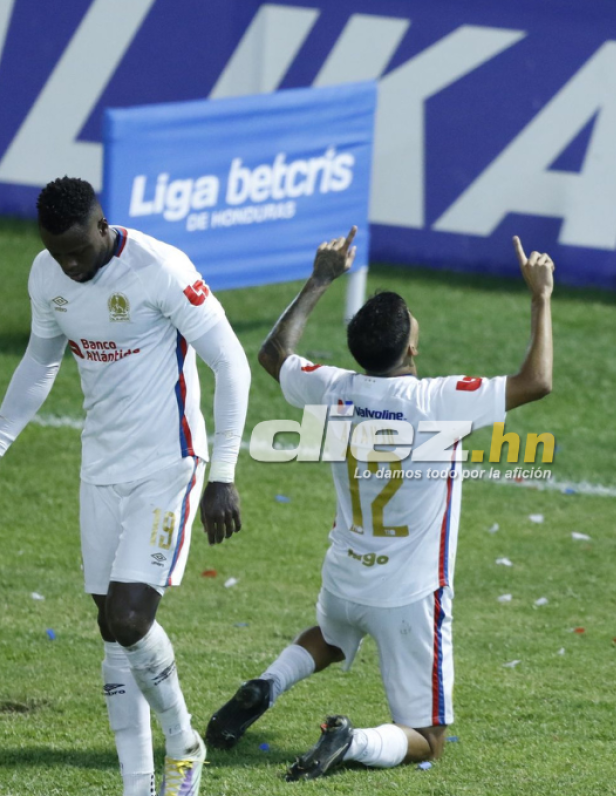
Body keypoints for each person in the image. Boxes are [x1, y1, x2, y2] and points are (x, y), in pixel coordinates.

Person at [205, 227, 554, 780]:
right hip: (410, 595)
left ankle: (267, 685)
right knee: (431, 740)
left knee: (333, 637)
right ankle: (354, 741)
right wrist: (540, 296)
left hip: (345, 577)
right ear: (411, 348)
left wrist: (321, 278)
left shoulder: (333, 386)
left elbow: (274, 353)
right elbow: (537, 381)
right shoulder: (438, 400)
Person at [0, 176, 251, 796]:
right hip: (100, 469)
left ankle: (184, 742)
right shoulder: (47, 275)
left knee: (131, 616)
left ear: (101, 224)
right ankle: (137, 784)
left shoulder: (160, 268)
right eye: (56, 252)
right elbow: (40, 362)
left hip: (168, 465)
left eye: (78, 252)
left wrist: (222, 474)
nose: (69, 265)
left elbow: (231, 361)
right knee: (111, 629)